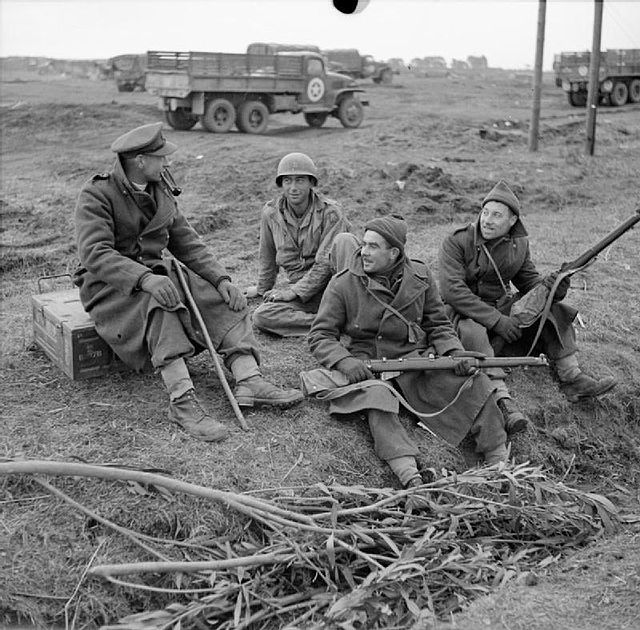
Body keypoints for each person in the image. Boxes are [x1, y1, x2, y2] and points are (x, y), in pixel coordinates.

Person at [74, 122, 303, 442]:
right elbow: (95, 254)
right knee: (162, 303)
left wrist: (220, 278)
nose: (167, 162)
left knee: (220, 297)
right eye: (160, 157)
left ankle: (249, 379)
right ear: (139, 160)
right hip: (112, 285)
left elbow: (186, 242)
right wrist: (144, 279)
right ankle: (182, 401)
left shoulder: (161, 190)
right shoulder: (97, 193)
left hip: (157, 274)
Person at [307, 215, 509, 489]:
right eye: (363, 244)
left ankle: (500, 463)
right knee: (377, 399)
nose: (363, 251)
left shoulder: (421, 276)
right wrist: (345, 361)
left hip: (417, 361)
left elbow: (438, 324)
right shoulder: (344, 283)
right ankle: (410, 476)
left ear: (394, 252)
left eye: (373, 246)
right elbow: (320, 335)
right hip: (371, 366)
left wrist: (454, 352)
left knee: (475, 383)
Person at [438, 180, 616, 428]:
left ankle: (572, 378)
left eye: (496, 215)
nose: (487, 220)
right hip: (465, 315)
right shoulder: (457, 241)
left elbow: (529, 282)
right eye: (485, 213)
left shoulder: (519, 244)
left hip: (503, 312)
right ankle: (499, 396)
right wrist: (497, 321)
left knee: (552, 308)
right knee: (472, 332)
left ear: (512, 221)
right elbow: (452, 291)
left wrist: (554, 287)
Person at [246, 152, 351, 337]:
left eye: (300, 180)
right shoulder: (270, 213)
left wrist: (294, 292)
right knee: (262, 316)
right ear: (281, 184)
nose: (293, 188)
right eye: (287, 181)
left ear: (311, 183)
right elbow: (267, 256)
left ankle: (335, 318)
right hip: (301, 293)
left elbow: (325, 264)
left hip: (331, 289)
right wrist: (262, 288)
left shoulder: (331, 213)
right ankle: (329, 324)